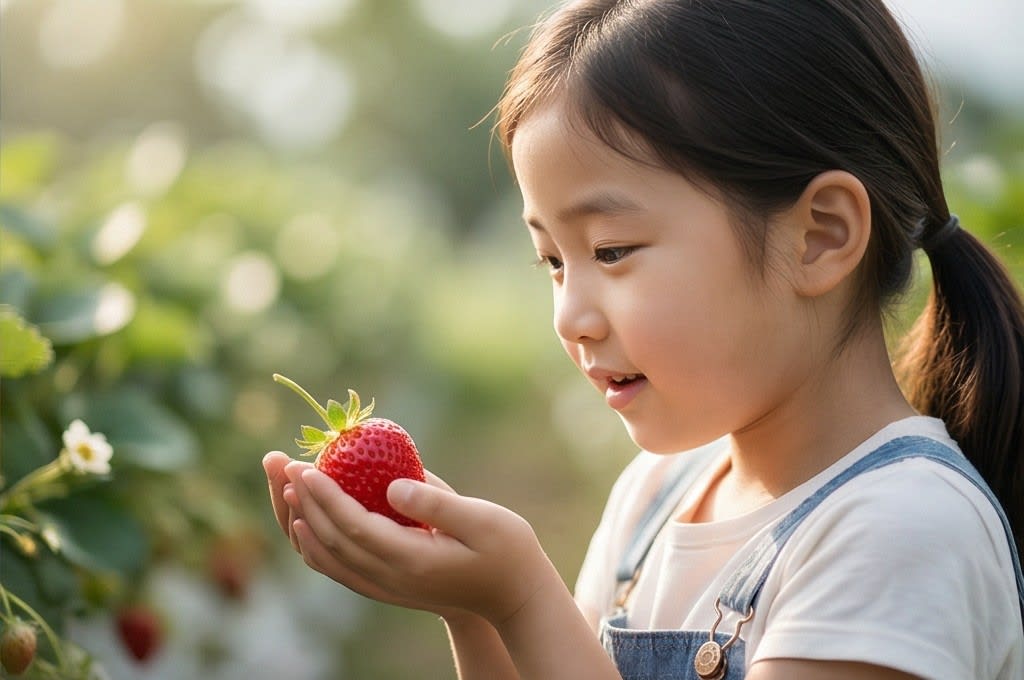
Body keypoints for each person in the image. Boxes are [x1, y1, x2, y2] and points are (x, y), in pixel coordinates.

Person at [263, 1, 1024, 677]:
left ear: (819, 237)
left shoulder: (903, 533)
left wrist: (525, 600)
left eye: (612, 251)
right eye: (553, 262)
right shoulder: (660, 495)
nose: (569, 316)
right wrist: (474, 609)